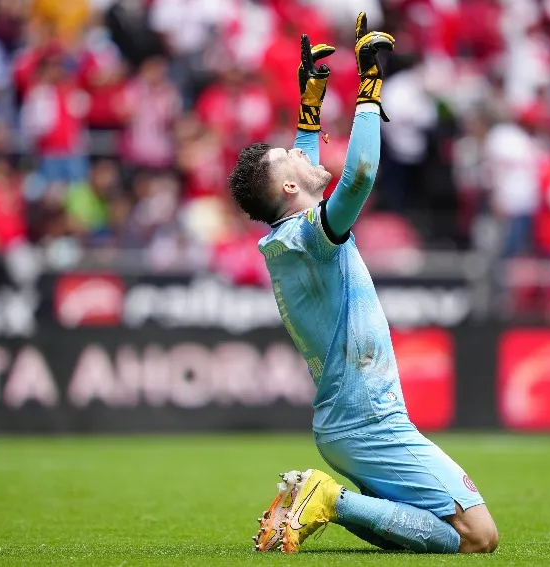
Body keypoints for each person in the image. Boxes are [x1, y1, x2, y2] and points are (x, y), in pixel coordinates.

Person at [227, 13, 499, 555]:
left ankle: (325, 498)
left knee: (437, 531)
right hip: (370, 422)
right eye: (291, 152)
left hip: (347, 425)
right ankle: (327, 498)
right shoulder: (313, 233)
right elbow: (361, 175)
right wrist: (369, 91)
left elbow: (300, 169)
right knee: (478, 538)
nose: (302, 149)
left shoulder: (290, 236)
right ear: (286, 184)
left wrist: (310, 105)